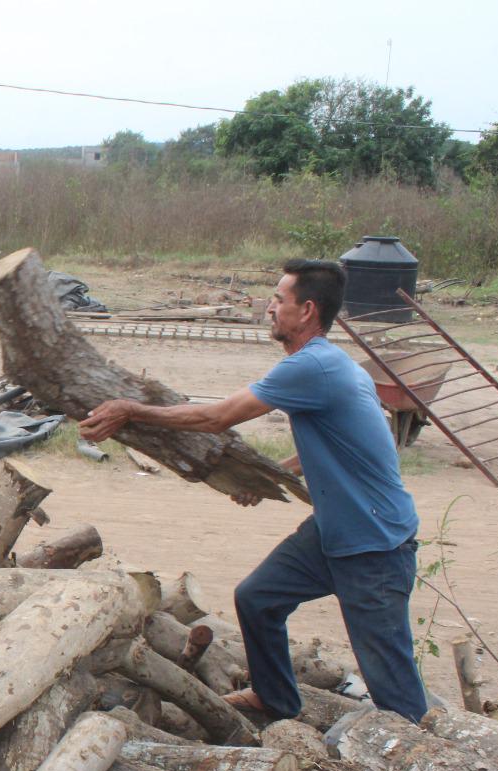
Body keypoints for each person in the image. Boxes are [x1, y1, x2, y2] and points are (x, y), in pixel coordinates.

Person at [79, 258, 428, 722]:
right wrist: (271, 477)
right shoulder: (332, 366)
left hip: (374, 545)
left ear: (306, 311)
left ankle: (421, 760)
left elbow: (217, 417)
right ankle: (275, 697)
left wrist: (131, 409)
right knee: (258, 598)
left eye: (278, 300)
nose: (269, 307)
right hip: (334, 531)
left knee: (392, 683)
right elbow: (343, 442)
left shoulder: (311, 367)